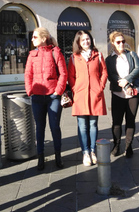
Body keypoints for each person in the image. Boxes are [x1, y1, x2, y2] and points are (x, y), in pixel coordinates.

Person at [25, 27, 67, 170]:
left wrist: (58, 91)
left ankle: (58, 156)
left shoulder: (56, 52)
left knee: (54, 127)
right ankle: (41, 157)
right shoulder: (32, 55)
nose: (32, 39)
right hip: (37, 96)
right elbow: (28, 75)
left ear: (43, 38)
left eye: (35, 37)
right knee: (40, 128)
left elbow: (63, 73)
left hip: (53, 96)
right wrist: (30, 91)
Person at [67, 30, 108, 166]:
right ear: (78, 42)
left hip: (95, 94)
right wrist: (75, 89)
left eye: (88, 39)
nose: (86, 42)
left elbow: (104, 72)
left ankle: (92, 151)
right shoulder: (74, 57)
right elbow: (71, 76)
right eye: (83, 40)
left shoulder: (98, 55)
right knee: (82, 126)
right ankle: (85, 152)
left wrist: (100, 87)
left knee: (93, 124)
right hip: (80, 95)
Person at [105, 31, 139, 158]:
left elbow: (138, 69)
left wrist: (127, 80)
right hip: (118, 93)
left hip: (134, 93)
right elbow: (111, 75)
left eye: (123, 41)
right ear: (113, 43)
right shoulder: (109, 59)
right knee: (116, 122)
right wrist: (125, 85)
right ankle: (116, 145)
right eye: (118, 42)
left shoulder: (132, 54)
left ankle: (128, 146)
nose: (121, 44)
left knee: (130, 120)